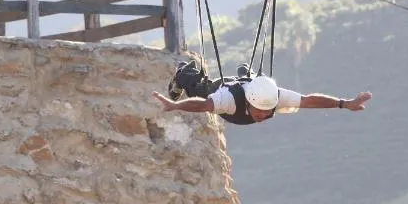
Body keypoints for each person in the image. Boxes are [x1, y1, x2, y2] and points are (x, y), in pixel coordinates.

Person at [152, 58, 372, 125]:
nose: (262, 116)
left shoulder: (275, 97)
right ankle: (184, 72)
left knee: (258, 79)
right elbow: (201, 105)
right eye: (258, 113)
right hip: (224, 87)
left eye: (265, 114)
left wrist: (345, 103)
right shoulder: (228, 100)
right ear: (249, 103)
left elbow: (309, 101)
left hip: (252, 85)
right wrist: (175, 106)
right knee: (198, 90)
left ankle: (248, 73)